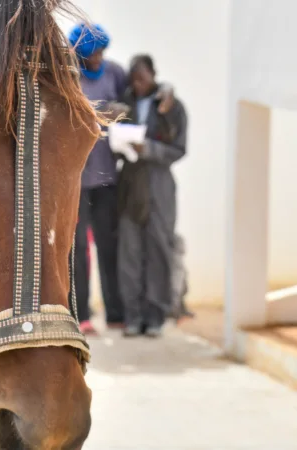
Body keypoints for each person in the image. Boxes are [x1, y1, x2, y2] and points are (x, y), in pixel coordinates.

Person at [117, 54, 188, 338]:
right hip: (130, 183)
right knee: (129, 253)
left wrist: (149, 149)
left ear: (154, 75)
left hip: (159, 185)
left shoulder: (172, 105)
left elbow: (179, 148)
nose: (137, 83)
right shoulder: (126, 102)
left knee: (159, 249)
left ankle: (155, 317)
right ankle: (132, 317)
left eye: (142, 78)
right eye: (133, 78)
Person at [68, 23, 128, 335]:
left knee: (109, 245)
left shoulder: (115, 73)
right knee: (78, 250)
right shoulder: (68, 76)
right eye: (91, 54)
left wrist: (121, 111)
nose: (97, 59)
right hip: (77, 181)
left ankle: (116, 311)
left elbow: (134, 105)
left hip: (108, 178)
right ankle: (82, 315)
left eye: (101, 52)